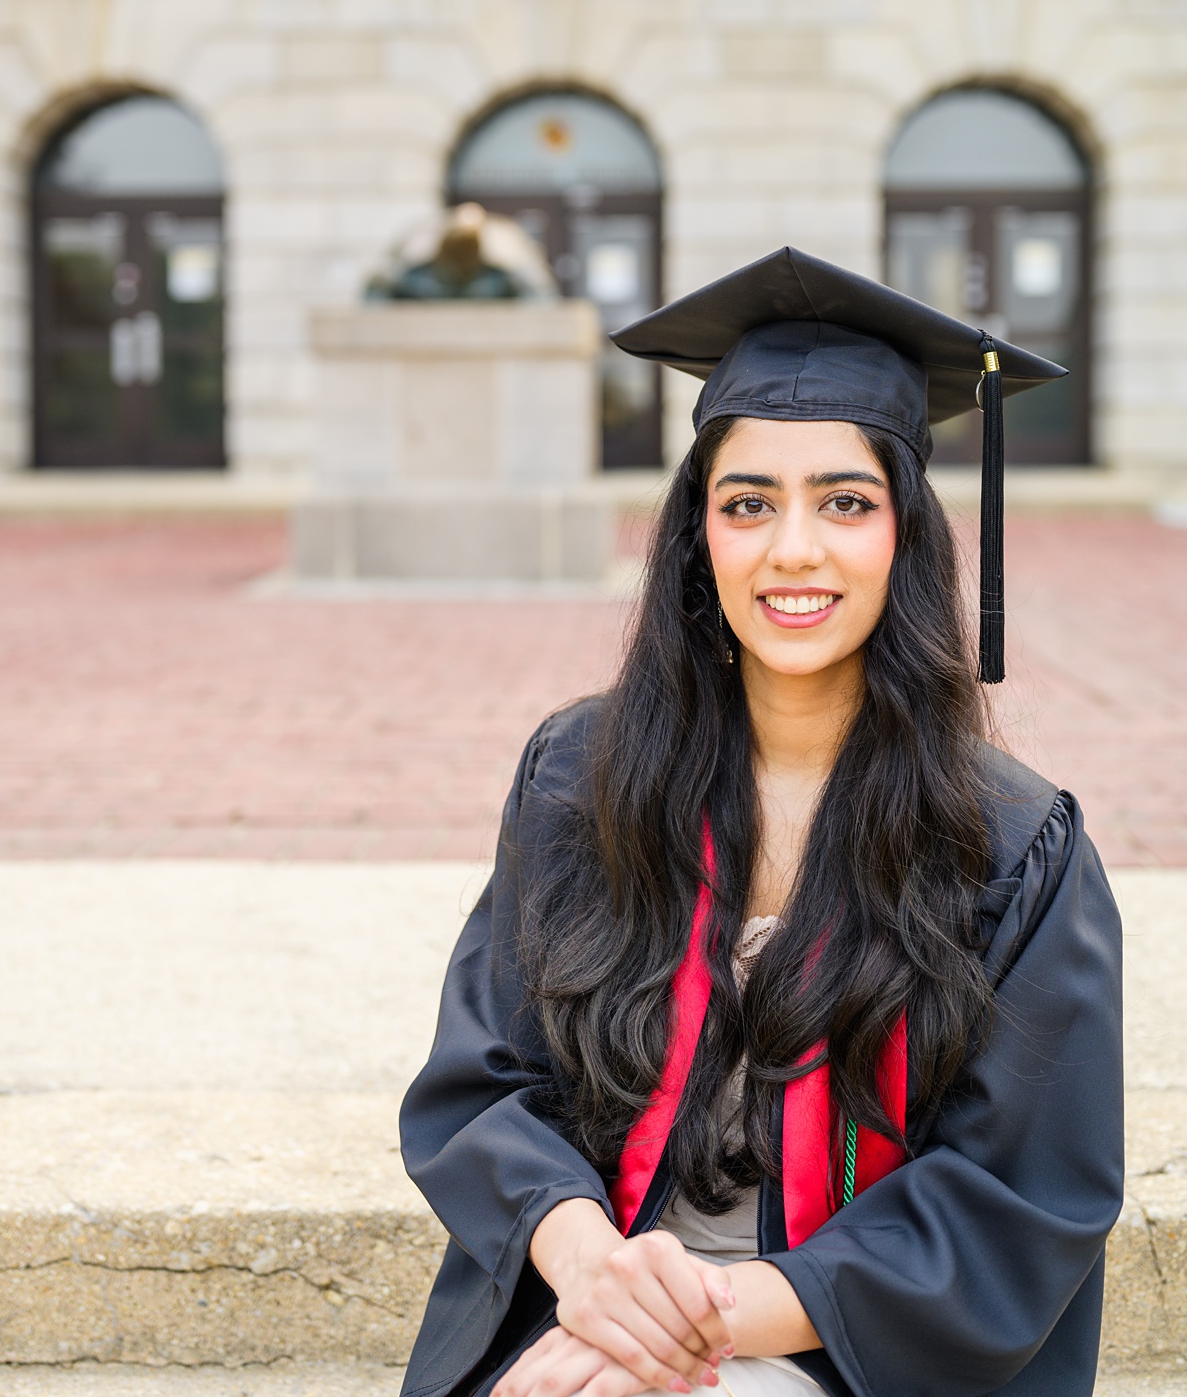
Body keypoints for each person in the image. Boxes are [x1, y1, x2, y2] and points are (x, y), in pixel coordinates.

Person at [400, 247, 1124, 1397]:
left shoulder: (1013, 847)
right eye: (750, 503)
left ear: (905, 536)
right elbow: (484, 1080)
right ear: (701, 540)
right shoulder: (580, 781)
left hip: (849, 1353)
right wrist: (591, 1279)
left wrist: (690, 1324)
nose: (795, 548)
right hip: (590, 1306)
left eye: (845, 501)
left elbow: (1018, 1195)